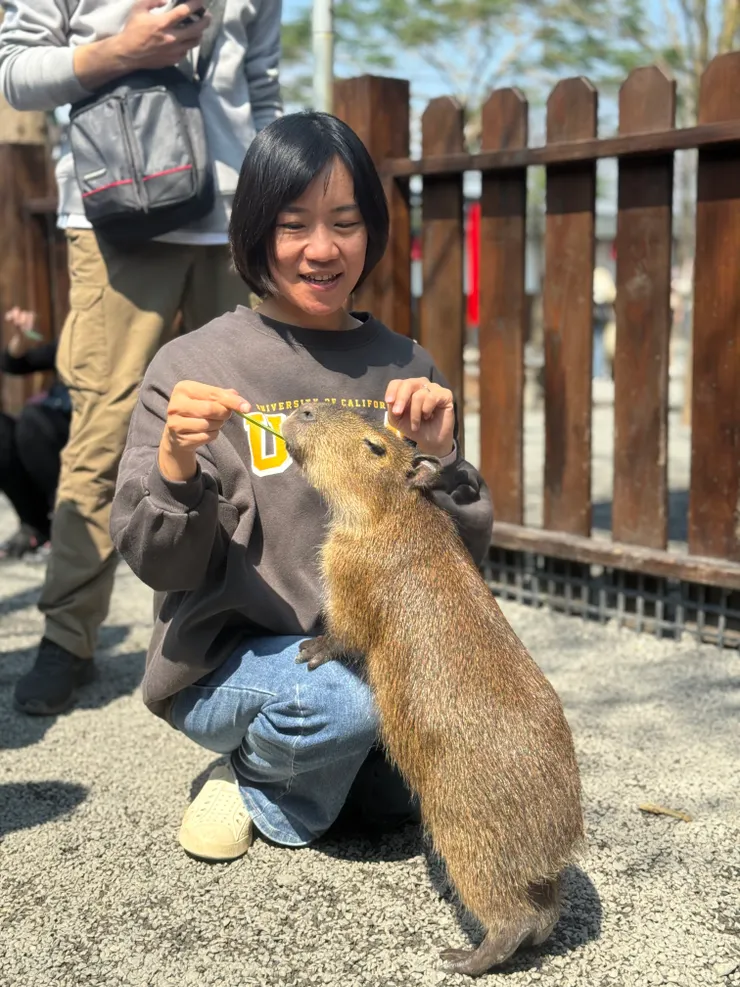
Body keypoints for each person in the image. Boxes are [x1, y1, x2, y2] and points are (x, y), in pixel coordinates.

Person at [110, 111, 494, 860]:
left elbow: (456, 569)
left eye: (345, 222)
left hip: (366, 649)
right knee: (341, 702)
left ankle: (324, 771)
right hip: (240, 665)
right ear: (255, 234)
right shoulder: (194, 364)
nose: (323, 249)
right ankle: (249, 774)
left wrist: (444, 463)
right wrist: (175, 468)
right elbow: (161, 567)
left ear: (372, 231)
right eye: (293, 226)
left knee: (404, 797)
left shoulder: (405, 363)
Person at [0, 0, 282, 714]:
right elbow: (14, 74)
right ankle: (69, 635)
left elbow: (262, 83)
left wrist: (277, 198)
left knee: (257, 428)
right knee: (102, 430)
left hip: (234, 220)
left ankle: (262, 618)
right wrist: (124, 49)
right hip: (116, 212)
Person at [0, 308, 70, 559]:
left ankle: (66, 525)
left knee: (32, 421)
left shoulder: (139, 339)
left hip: (86, 431)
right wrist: (22, 338)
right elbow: (13, 364)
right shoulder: (77, 336)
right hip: (50, 424)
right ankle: (35, 525)